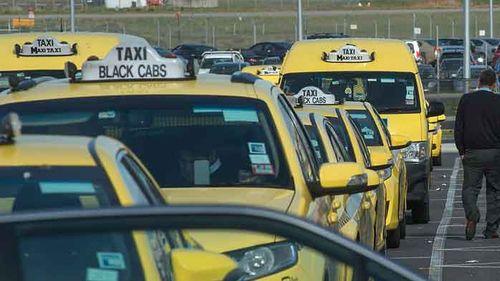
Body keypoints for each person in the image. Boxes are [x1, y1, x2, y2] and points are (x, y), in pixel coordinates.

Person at [454, 68, 500, 240]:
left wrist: (461, 150)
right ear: (494, 84)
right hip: (495, 152)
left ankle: (472, 214)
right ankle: (491, 229)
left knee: (470, 188)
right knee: (495, 191)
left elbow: (459, 127)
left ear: (478, 82)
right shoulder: (498, 101)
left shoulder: (466, 100)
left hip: (472, 152)